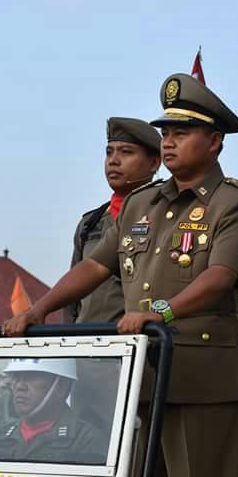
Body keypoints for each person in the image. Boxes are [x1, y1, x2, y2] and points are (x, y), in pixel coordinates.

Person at [3, 72, 238, 477]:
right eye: (165, 133)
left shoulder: (235, 203)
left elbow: (221, 277)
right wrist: (38, 310)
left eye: (182, 133)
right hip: (141, 379)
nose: (169, 143)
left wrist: (157, 312)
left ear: (215, 141)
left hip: (204, 380)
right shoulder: (143, 204)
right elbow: (94, 266)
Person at [63, 117, 161, 325]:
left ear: (154, 162)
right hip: (86, 344)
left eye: (126, 152)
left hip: (140, 345)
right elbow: (71, 302)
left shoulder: (166, 216)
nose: (113, 160)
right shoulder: (91, 223)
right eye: (109, 152)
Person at [0, 359, 107, 464]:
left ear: (61, 386)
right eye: (16, 378)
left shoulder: (87, 440)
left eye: (31, 376)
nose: (19, 386)